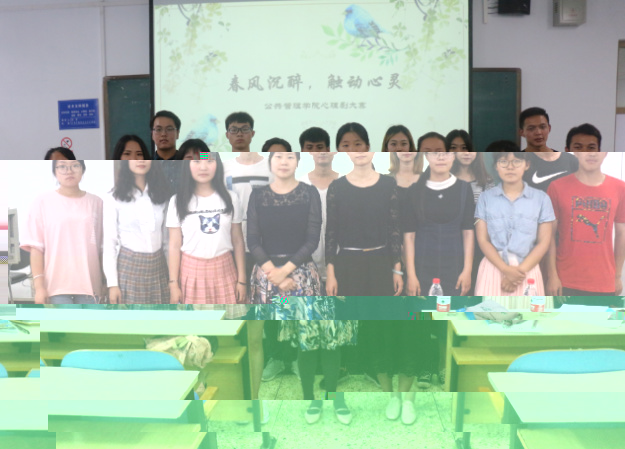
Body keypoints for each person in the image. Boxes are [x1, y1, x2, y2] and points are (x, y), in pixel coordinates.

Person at [166, 155, 248, 318]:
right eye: (197, 161)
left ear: (218, 165)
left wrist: (242, 280)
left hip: (225, 270)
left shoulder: (230, 197)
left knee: (228, 326)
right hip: (191, 272)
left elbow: (238, 241)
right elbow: (174, 245)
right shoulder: (177, 201)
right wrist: (173, 284)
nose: (203, 167)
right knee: (197, 327)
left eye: (209, 161)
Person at [325, 147, 403, 319]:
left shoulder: (388, 184)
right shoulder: (336, 187)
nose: (360, 151)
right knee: (350, 322)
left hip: (381, 263)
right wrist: (330, 274)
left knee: (379, 321)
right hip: (348, 265)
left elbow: (394, 229)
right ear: (347, 152)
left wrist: (397, 270)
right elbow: (330, 233)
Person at [21, 161, 104, 305]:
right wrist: (39, 287)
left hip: (90, 287)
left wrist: (106, 282)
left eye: (75, 165)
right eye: (62, 166)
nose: (69, 170)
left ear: (83, 169)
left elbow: (103, 248)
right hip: (55, 287)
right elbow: (36, 249)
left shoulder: (97, 203)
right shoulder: (42, 202)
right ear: (55, 171)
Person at [247, 151, 322, 309]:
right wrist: (276, 275)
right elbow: (253, 240)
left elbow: (312, 240)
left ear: (297, 162)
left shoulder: (309, 193)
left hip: (301, 276)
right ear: (270, 161)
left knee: (299, 321)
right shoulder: (257, 195)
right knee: (273, 321)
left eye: (290, 157)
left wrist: (283, 272)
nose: (284, 162)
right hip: (268, 276)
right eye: (278, 156)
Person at [474, 152, 555, 297]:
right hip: (494, 267)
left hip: (527, 270)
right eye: (503, 162)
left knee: (527, 312)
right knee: (489, 311)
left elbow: (544, 242)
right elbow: (483, 240)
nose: (510, 167)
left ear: (527, 165)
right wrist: (505, 270)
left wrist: (518, 273)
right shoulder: (485, 198)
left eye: (516, 161)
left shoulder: (542, 199)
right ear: (496, 166)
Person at [547, 152, 625, 298]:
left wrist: (617, 276)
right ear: (576, 152)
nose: (592, 154)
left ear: (605, 152)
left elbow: (622, 235)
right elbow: (548, 235)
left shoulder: (620, 188)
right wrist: (552, 275)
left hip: (604, 282)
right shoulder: (557, 187)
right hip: (565, 281)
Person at [403, 148, 475, 297]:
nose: (441, 157)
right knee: (421, 311)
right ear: (426, 156)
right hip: (421, 267)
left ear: (454, 156)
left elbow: (468, 232)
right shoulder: (414, 190)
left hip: (456, 268)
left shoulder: (464, 188)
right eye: (435, 153)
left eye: (446, 153)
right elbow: (409, 236)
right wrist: (411, 275)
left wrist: (467, 271)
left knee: (453, 310)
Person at [103, 160, 171, 304]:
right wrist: (112, 284)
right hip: (129, 270)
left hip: (158, 269)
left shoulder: (161, 195)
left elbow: (167, 242)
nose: (141, 160)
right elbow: (109, 243)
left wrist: (173, 279)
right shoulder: (114, 197)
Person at [301, 152, 339, 291]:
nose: (322, 151)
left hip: (340, 267)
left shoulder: (345, 184)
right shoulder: (300, 185)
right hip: (306, 269)